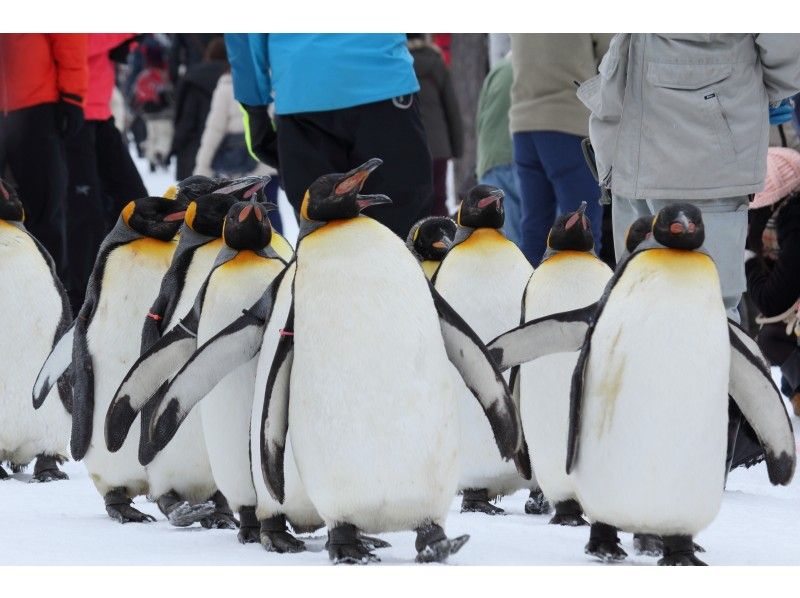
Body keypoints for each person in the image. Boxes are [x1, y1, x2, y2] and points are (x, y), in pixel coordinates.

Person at [579, 33, 800, 322]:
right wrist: (751, 94)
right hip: (650, 151)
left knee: (677, 310)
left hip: (686, 152)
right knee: (656, 310)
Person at [224, 33, 432, 238]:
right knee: (400, 224)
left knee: (323, 231)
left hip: (302, 90)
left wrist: (254, 110)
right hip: (383, 81)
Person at [510, 34, 612, 266]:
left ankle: (534, 297)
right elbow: (613, 54)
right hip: (568, 122)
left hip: (524, 124)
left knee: (534, 231)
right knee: (581, 233)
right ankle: (583, 299)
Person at [64, 34, 148, 311]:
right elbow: (73, 44)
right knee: (84, 217)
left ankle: (127, 288)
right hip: (71, 115)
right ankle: (80, 304)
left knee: (136, 205)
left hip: (99, 114)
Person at [0, 34, 88, 283]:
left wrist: (72, 94)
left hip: (35, 106)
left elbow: (68, 33)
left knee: (45, 211)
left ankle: (51, 300)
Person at [192, 51, 282, 233]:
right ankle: (280, 255)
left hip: (239, 167)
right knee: (269, 212)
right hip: (268, 163)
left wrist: (201, 169)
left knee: (241, 217)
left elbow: (214, 131)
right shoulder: (274, 82)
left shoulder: (227, 87)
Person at [745, 147, 800, 416]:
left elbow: (772, 301)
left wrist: (748, 257)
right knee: (774, 334)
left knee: (772, 337)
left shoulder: (794, 223)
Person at [406, 34, 463, 218]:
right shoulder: (436, 63)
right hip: (438, 147)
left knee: (412, 202)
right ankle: (442, 242)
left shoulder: (397, 65)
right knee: (439, 200)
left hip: (410, 146)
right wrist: (457, 148)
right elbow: (451, 108)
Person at [475, 54, 522, 246]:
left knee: (507, 242)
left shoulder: (498, 70)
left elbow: (480, 120)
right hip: (529, 158)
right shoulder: (543, 68)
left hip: (492, 159)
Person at [171, 37, 228, 180]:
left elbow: (186, 121)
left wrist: (174, 146)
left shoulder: (191, 79)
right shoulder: (237, 80)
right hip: (232, 154)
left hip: (194, 151)